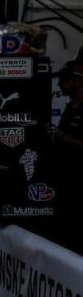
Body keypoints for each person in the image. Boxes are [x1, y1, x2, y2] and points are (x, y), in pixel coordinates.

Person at [54, 53, 83, 253]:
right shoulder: (70, 107)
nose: (62, 87)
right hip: (64, 180)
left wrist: (64, 138)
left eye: (66, 81)